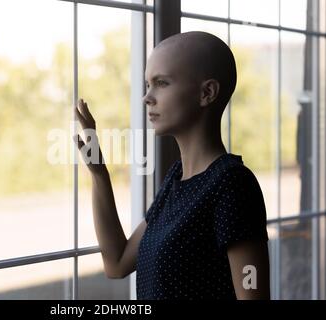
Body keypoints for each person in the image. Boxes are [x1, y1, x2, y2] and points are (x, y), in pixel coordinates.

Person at [73, 31, 270, 300]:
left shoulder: (232, 185)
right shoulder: (176, 179)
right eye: (147, 85)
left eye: (161, 83)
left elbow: (253, 294)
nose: (147, 98)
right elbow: (117, 263)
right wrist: (99, 175)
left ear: (207, 93)